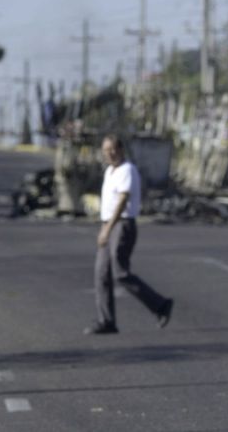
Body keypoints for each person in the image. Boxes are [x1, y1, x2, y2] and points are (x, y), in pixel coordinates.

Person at [85, 134, 173, 335]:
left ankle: (160, 305)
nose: (110, 153)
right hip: (109, 223)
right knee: (101, 274)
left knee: (120, 273)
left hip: (122, 225)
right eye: (106, 150)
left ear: (121, 150)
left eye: (114, 149)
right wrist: (104, 226)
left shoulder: (127, 170)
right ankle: (106, 320)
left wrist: (108, 229)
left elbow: (122, 201)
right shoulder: (109, 171)